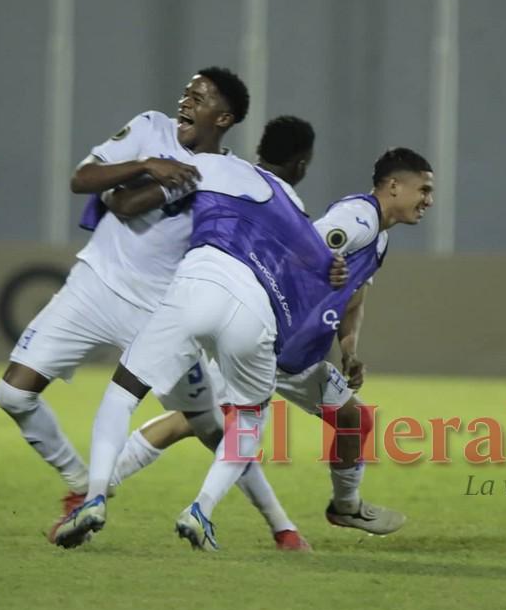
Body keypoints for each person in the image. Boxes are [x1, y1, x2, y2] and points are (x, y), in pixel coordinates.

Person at [0, 68, 283, 544]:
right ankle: (80, 484)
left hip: (159, 309)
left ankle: (281, 524)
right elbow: (82, 179)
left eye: (200, 96)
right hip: (92, 287)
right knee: (13, 394)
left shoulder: (226, 177)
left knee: (211, 424)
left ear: (224, 116)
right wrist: (148, 164)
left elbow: (130, 206)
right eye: (186, 90)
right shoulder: (150, 127)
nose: (186, 101)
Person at [109, 148, 435, 536]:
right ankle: (99, 486)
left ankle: (346, 507)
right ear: (395, 186)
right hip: (265, 340)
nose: (428, 200)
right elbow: (299, 250)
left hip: (298, 355)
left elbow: (354, 295)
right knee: (192, 421)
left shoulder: (378, 239)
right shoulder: (357, 218)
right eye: (424, 189)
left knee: (352, 418)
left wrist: (348, 350)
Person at [51, 147, 347, 551]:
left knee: (124, 393)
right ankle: (202, 510)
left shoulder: (210, 165)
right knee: (243, 423)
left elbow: (125, 201)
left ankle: (95, 495)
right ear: (300, 167)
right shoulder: (294, 210)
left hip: (195, 287)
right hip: (252, 311)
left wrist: (122, 184)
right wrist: (333, 273)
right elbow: (320, 282)